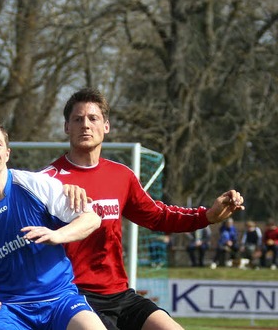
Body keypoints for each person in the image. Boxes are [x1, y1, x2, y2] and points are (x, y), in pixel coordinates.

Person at [40, 87, 245, 330]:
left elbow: (157, 216)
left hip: (120, 294)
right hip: (73, 296)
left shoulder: (121, 175)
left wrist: (207, 216)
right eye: (78, 119)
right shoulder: (47, 181)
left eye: (93, 118)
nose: (85, 125)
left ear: (106, 126)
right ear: (66, 127)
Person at [0, 117, 106, 330]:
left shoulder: (36, 185)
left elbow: (92, 218)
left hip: (59, 300)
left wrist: (57, 235)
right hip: (6, 309)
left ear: (7, 153)